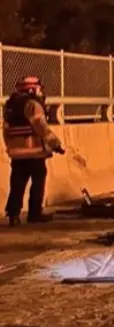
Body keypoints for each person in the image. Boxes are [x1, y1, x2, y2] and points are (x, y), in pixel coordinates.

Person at [3, 77, 64, 226]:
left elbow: (6, 130)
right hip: (34, 152)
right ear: (32, 90)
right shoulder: (32, 105)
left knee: (17, 183)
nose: (40, 92)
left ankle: (13, 214)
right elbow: (41, 128)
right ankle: (35, 213)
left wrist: (11, 148)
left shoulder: (10, 106)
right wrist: (55, 144)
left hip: (17, 153)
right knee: (38, 181)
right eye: (38, 89)